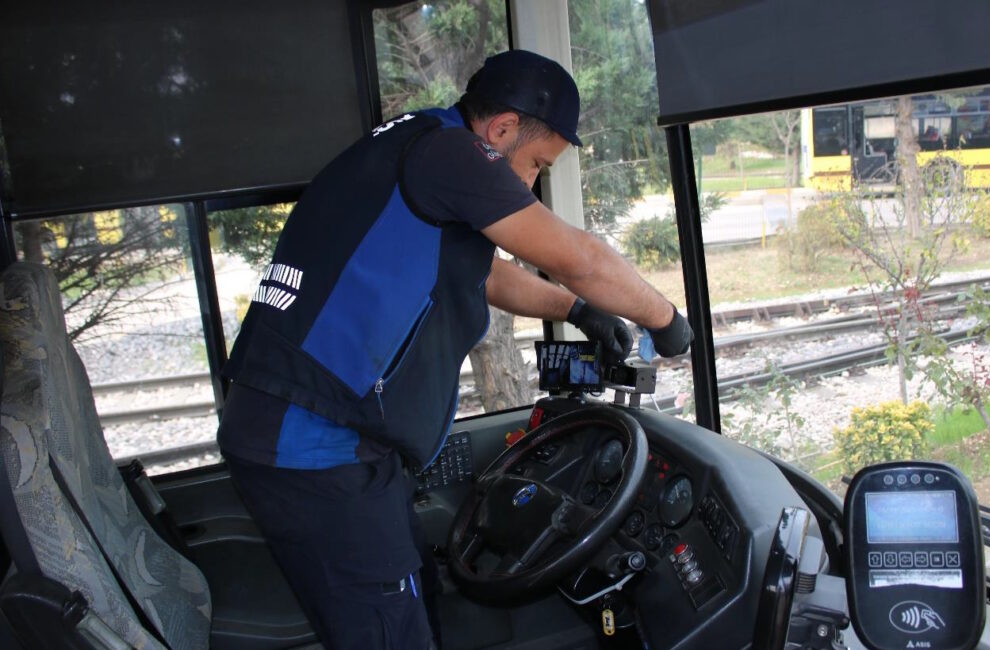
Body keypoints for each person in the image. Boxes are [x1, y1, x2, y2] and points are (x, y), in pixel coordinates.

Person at [216, 49, 692, 650]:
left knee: (417, 586)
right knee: (390, 629)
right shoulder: (450, 153)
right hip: (314, 443)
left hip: (333, 435)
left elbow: (486, 273)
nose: (532, 183)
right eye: (538, 163)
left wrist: (575, 310)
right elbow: (579, 257)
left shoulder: (419, 148)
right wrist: (667, 321)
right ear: (500, 130)